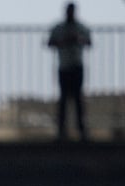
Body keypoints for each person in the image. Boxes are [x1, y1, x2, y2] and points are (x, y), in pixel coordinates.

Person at [46, 3, 91, 141]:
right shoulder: (58, 28)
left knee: (77, 99)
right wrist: (63, 41)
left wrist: (78, 40)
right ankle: (62, 131)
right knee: (64, 99)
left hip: (76, 65)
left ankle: (81, 130)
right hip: (64, 66)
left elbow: (89, 42)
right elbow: (50, 43)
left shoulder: (81, 27)